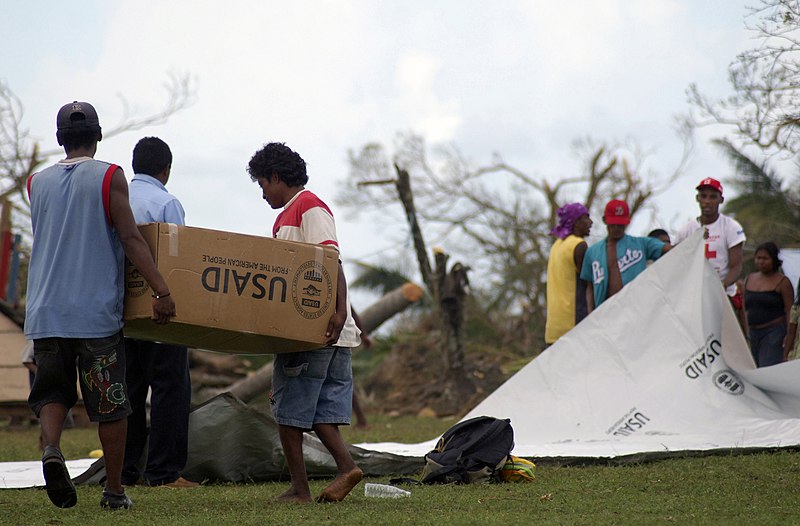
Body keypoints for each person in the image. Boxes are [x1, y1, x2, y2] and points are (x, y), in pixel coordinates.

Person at [25, 101, 176, 510]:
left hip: (45, 312)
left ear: (60, 139)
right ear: (98, 136)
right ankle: (114, 492)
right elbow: (130, 238)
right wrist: (161, 289)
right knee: (111, 405)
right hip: (94, 316)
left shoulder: (36, 182)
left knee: (52, 393)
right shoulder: (110, 176)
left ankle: (52, 449)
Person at [247, 142, 363, 503]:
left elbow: (332, 261)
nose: (263, 193)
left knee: (289, 412)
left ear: (277, 177)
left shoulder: (306, 208)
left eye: (263, 184)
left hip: (314, 332)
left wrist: (339, 310)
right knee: (319, 413)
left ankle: (300, 489)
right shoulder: (293, 213)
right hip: (333, 332)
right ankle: (347, 467)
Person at [121, 137, 196, 489]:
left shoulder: (117, 200)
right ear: (166, 169)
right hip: (160, 312)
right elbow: (178, 259)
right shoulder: (166, 202)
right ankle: (164, 473)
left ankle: (125, 470)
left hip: (121, 313)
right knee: (170, 389)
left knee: (129, 392)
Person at [579, 199, 670, 311]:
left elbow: (672, 249)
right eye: (613, 223)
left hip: (636, 310)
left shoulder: (641, 244)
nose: (617, 227)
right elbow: (590, 287)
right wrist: (590, 315)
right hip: (604, 314)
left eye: (620, 224)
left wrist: (696, 241)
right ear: (605, 220)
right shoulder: (593, 252)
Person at [673, 178, 746, 313]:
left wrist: (722, 286)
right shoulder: (686, 230)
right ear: (697, 198)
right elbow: (678, 262)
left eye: (713, 197)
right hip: (694, 297)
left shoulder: (730, 227)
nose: (707, 201)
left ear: (721, 200)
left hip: (724, 296)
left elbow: (736, 265)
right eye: (703, 196)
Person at [545, 203, 593, 344]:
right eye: (586, 218)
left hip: (554, 327)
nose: (591, 222)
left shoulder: (556, 245)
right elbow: (589, 284)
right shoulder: (579, 245)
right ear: (577, 222)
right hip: (573, 326)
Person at [742, 242, 794, 367]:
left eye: (765, 258)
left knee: (767, 367)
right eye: (758, 258)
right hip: (753, 333)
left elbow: (790, 311)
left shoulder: (782, 282)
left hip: (774, 333)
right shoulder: (749, 279)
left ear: (774, 260)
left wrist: (789, 335)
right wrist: (746, 332)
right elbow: (744, 308)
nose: (761, 262)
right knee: (754, 367)